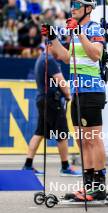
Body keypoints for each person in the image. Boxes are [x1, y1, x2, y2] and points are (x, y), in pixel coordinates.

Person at [41, 0, 107, 200]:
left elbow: (96, 54)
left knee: (92, 139)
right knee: (81, 140)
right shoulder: (74, 29)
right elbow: (66, 58)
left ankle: (99, 186)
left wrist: (78, 31)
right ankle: (88, 185)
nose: (73, 8)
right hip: (78, 91)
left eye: (77, 5)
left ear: (88, 8)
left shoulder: (94, 28)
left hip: (92, 91)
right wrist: (52, 39)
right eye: (72, 4)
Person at [23, 33, 81, 177]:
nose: (60, 47)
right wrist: (69, 96)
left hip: (42, 99)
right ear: (50, 45)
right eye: (57, 45)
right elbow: (61, 81)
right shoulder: (50, 60)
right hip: (52, 101)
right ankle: (65, 167)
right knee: (62, 133)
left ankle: (27, 165)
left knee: (39, 132)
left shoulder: (42, 59)